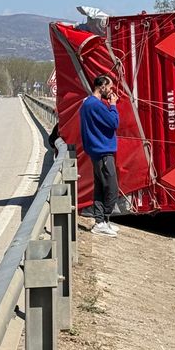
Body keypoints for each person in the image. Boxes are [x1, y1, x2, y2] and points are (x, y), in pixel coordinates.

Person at [79, 74, 121, 237]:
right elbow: (114, 123)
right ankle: (101, 221)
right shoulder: (96, 105)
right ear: (102, 86)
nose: (111, 91)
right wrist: (113, 105)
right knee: (111, 187)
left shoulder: (87, 104)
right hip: (102, 151)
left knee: (100, 188)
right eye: (109, 87)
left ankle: (102, 221)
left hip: (97, 151)